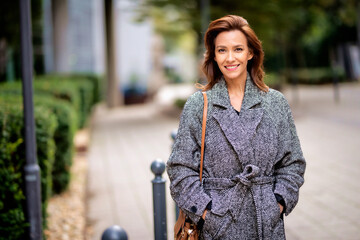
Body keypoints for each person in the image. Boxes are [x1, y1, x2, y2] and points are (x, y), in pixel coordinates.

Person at [167, 15, 306, 240]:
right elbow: (179, 169)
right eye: (222, 50)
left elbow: (293, 163)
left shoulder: (275, 103)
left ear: (251, 53)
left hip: (266, 225)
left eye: (238, 49)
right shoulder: (199, 105)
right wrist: (207, 212)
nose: (230, 58)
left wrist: (277, 203)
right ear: (213, 55)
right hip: (218, 227)